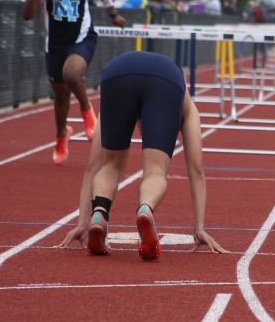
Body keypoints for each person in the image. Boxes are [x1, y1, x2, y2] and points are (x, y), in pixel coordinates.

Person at [56, 51, 228, 258]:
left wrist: (83, 223)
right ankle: (145, 209)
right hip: (166, 79)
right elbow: (196, 169)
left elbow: (94, 166)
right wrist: (199, 227)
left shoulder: (127, 97)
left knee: (111, 165)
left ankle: (99, 214)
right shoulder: (188, 108)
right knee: (155, 170)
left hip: (117, 73)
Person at [22, 0, 126, 164]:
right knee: (60, 96)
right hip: (55, 45)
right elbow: (27, 15)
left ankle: (87, 111)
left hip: (82, 38)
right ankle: (62, 136)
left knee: (71, 74)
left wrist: (113, 14)